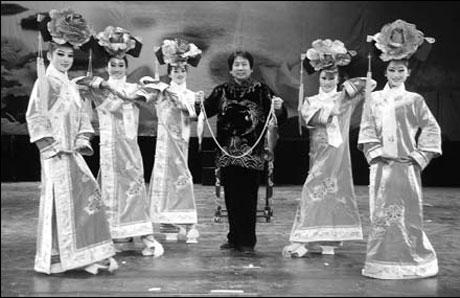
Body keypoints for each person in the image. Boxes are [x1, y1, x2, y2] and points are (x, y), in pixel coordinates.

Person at [26, 9, 117, 274]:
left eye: (68, 55)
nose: (65, 60)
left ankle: (81, 254)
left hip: (72, 152)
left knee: (86, 198)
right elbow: (35, 116)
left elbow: (82, 118)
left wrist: (79, 140)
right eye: (60, 55)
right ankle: (59, 257)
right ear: (50, 55)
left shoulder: (69, 84)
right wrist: (53, 148)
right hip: (55, 154)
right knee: (61, 203)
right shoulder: (46, 83)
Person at [359, 19, 441, 279]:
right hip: (383, 166)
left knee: (409, 212)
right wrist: (375, 152)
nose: (396, 74)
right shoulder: (375, 100)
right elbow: (366, 128)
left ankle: (414, 259)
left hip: (406, 166)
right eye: (392, 70)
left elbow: (431, 128)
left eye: (401, 70)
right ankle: (381, 260)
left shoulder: (414, 100)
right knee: (381, 212)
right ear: (385, 72)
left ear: (408, 73)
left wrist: (418, 156)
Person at [76, 26, 164, 257]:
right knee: (108, 189)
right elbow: (79, 82)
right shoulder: (99, 87)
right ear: (108, 66)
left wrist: (131, 96)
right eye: (113, 64)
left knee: (133, 188)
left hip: (128, 150)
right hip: (108, 151)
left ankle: (146, 236)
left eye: (121, 65)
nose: (116, 68)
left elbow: (155, 90)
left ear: (127, 67)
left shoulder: (133, 87)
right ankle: (114, 234)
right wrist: (105, 85)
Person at [282, 39, 371, 257]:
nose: (328, 81)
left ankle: (329, 238)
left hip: (338, 155)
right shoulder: (311, 101)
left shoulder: (345, 98)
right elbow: (309, 118)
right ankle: (304, 236)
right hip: (319, 154)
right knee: (312, 189)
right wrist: (332, 110)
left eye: (332, 77)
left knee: (335, 193)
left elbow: (370, 84)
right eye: (324, 77)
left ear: (339, 78)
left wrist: (341, 64)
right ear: (319, 78)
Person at [197, 50, 287, 255]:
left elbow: (278, 118)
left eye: (244, 64)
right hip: (226, 152)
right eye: (236, 64)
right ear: (230, 69)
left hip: (253, 152)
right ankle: (233, 237)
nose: (240, 68)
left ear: (251, 67)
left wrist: (279, 108)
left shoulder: (262, 91)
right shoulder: (221, 91)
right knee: (231, 197)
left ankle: (247, 241)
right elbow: (203, 112)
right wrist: (197, 101)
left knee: (247, 197)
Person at [139, 38, 203, 243]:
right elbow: (141, 93)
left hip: (181, 144)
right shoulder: (161, 91)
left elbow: (193, 115)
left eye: (182, 69)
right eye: (175, 70)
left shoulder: (191, 95)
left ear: (186, 71)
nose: (179, 73)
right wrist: (148, 84)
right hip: (164, 144)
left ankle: (189, 222)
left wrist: (192, 102)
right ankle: (168, 224)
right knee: (164, 180)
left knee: (183, 178)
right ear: (169, 72)